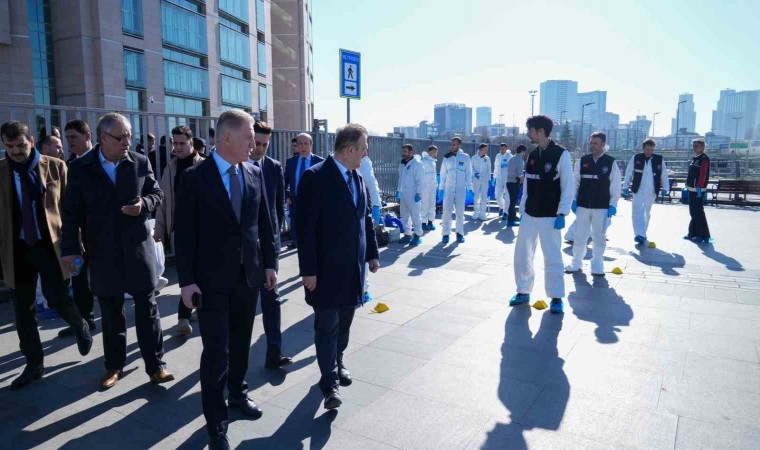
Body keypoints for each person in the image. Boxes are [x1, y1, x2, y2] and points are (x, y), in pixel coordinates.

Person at [176, 110, 278, 450]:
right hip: (210, 282)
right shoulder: (193, 178)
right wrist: (187, 281)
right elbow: (185, 235)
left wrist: (270, 264)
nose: (256, 144)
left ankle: (238, 393)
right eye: (250, 137)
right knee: (215, 351)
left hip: (247, 277)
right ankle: (216, 426)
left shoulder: (254, 173)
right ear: (228, 138)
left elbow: (265, 223)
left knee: (241, 344)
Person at [61, 112, 173, 390]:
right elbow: (71, 213)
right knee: (111, 314)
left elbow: (157, 193)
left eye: (129, 136)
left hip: (137, 249)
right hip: (103, 252)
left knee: (147, 309)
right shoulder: (80, 168)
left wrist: (143, 205)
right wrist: (71, 250)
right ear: (101, 138)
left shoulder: (139, 162)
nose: (127, 142)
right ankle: (114, 366)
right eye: (120, 137)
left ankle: (155, 365)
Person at [0, 121, 93, 390]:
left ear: (31, 140)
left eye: (21, 145)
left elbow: (70, 209)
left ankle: (80, 325)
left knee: (57, 297)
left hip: (51, 245)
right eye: (10, 146)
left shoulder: (55, 166)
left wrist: (75, 246)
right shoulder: (2, 171)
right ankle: (34, 364)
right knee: (23, 309)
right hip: (16, 248)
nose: (16, 151)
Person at [296, 123, 380, 411]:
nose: (366, 154)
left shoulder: (357, 178)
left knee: (345, 321)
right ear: (349, 149)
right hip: (325, 270)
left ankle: (338, 359)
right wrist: (308, 270)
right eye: (364, 149)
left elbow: (365, 219)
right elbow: (304, 228)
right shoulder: (315, 177)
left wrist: (372, 253)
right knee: (326, 326)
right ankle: (329, 384)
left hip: (353, 269)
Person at [510, 115, 573, 314]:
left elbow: (568, 186)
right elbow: (527, 183)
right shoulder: (533, 154)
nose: (529, 133)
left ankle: (556, 297)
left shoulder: (561, 154)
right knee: (523, 253)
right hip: (530, 214)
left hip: (550, 215)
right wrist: (522, 207)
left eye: (531, 130)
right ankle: (523, 291)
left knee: (552, 256)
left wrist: (562, 213)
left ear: (540, 131)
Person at [249, 120, 293, 370]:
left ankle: (274, 353)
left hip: (268, 248)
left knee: (272, 300)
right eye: (257, 143)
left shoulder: (274, 167)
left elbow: (277, 210)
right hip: (243, 249)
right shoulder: (238, 166)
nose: (260, 149)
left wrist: (275, 247)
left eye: (265, 144)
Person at [154, 126, 204, 335]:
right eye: (175, 143)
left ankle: (191, 312)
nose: (178, 147)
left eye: (182, 143)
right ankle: (184, 317)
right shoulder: (170, 168)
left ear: (192, 143)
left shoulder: (205, 165)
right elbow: (162, 202)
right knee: (186, 272)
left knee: (200, 273)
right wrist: (160, 227)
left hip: (203, 230)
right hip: (180, 229)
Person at [57, 120, 97, 338]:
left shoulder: (101, 161)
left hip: (100, 233)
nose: (69, 141)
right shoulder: (69, 166)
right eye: (68, 137)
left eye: (74, 137)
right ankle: (84, 319)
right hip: (79, 235)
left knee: (104, 277)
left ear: (88, 135)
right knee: (79, 277)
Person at [564, 132, 621, 276]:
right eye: (591, 142)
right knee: (580, 235)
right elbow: (575, 181)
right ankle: (576, 263)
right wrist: (573, 200)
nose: (592, 145)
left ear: (603, 144)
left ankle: (597, 265)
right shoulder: (583, 161)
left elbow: (615, 185)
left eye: (596, 143)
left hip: (601, 206)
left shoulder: (610, 162)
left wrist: (613, 204)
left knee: (598, 236)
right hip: (582, 205)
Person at [622, 138, 669, 244]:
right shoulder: (636, 158)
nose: (649, 152)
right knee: (637, 212)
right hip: (637, 189)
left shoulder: (659, 159)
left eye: (651, 149)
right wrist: (625, 186)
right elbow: (629, 173)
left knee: (646, 212)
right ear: (643, 148)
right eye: (647, 149)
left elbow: (664, 174)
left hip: (651, 190)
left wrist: (666, 187)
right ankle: (639, 234)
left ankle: (643, 233)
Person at [284, 133, 324, 249]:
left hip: (314, 201)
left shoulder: (320, 161)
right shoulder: (291, 162)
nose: (303, 147)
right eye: (300, 144)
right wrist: (287, 196)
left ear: (311, 145)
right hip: (295, 201)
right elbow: (284, 181)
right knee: (296, 230)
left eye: (306, 144)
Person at [358, 149, 383, 302]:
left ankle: (364, 289)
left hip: (363, 208)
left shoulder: (364, 162)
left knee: (363, 250)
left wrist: (376, 205)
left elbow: (371, 183)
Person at [440, 136, 472, 243]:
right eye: (451, 144)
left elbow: (468, 174)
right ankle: (445, 234)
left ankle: (459, 233)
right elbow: (443, 174)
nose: (452, 146)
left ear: (459, 145)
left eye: (454, 144)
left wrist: (470, 187)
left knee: (460, 212)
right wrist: (441, 188)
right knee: (447, 212)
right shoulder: (447, 157)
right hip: (449, 189)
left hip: (460, 190)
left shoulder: (465, 157)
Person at [396, 144, 424, 245]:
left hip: (413, 194)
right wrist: (398, 191)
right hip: (403, 193)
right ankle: (407, 234)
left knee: (415, 215)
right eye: (402, 151)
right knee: (404, 215)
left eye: (405, 151)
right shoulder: (402, 164)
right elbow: (400, 179)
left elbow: (420, 180)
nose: (403, 153)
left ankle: (417, 235)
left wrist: (419, 193)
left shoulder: (417, 164)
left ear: (411, 152)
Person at [684, 138, 711, 243]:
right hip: (692, 189)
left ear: (703, 147)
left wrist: (699, 187)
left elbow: (703, 174)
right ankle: (692, 233)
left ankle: (703, 235)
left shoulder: (704, 159)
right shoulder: (695, 158)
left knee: (698, 212)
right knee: (693, 212)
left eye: (697, 146)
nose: (694, 148)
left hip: (698, 189)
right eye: (693, 146)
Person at [505, 145, 526, 226]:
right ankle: (510, 221)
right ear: (522, 151)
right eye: (524, 152)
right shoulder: (519, 160)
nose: (524, 154)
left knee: (512, 201)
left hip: (509, 182)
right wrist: (523, 183)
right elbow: (520, 174)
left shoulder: (511, 158)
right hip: (514, 183)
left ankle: (513, 216)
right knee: (513, 202)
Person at [471, 143, 491, 221]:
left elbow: (489, 170)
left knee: (484, 197)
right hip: (476, 180)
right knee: (476, 196)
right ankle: (476, 212)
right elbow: (470, 168)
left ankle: (483, 214)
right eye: (485, 149)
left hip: (485, 180)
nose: (486, 151)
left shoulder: (487, 158)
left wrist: (489, 179)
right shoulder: (473, 158)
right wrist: (474, 173)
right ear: (481, 149)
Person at [420, 145, 438, 231]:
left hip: (432, 187)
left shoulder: (433, 162)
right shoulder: (424, 161)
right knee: (425, 204)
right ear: (430, 152)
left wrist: (436, 185)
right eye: (434, 152)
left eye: (436, 152)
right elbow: (421, 175)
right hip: (425, 186)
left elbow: (433, 175)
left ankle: (430, 222)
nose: (436, 154)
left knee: (432, 204)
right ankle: (423, 222)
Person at [493, 143, 512, 219]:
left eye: (503, 149)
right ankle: (501, 207)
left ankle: (506, 212)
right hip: (499, 178)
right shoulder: (498, 156)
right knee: (497, 196)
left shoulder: (510, 156)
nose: (502, 150)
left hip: (507, 179)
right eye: (501, 149)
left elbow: (512, 168)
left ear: (506, 149)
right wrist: (494, 177)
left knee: (507, 196)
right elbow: (496, 167)